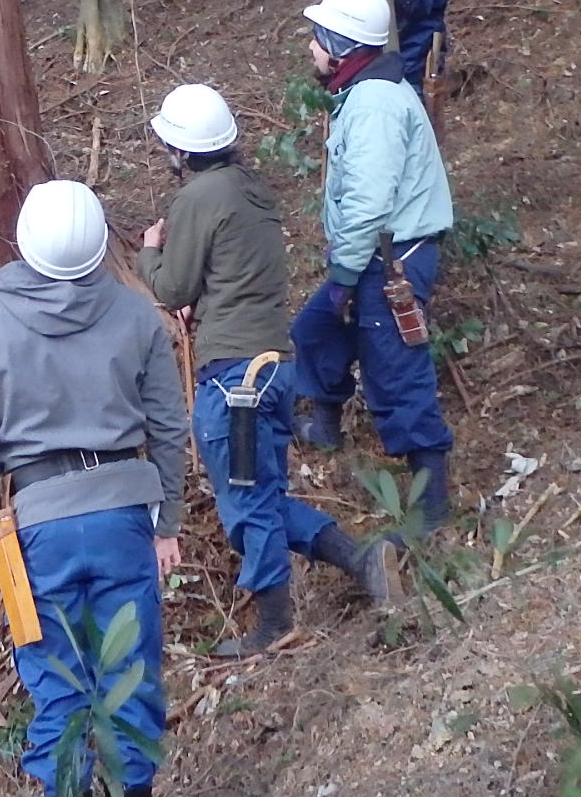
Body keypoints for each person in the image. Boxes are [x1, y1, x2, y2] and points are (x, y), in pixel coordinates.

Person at [0, 180, 187, 797]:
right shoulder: (137, 314)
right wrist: (169, 520)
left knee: (58, 691)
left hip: (34, 529)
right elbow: (168, 426)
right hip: (122, 519)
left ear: (25, 242)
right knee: (129, 685)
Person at [138, 85, 393, 656]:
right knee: (264, 497)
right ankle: (362, 560)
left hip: (235, 383)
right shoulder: (253, 190)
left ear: (180, 150)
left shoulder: (198, 198)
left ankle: (277, 624)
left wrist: (150, 251)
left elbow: (172, 286)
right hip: (273, 372)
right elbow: (230, 277)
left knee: (249, 505)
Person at [290, 0, 456, 533]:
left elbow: (368, 202)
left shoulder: (376, 104)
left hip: (391, 262)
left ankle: (430, 508)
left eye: (318, 39)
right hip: (378, 257)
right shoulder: (366, 94)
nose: (311, 48)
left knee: (397, 372)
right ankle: (328, 424)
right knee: (317, 331)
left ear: (339, 47)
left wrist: (342, 278)